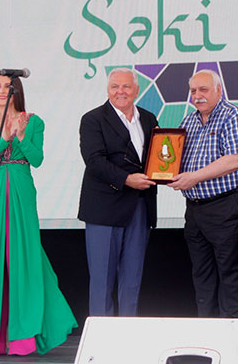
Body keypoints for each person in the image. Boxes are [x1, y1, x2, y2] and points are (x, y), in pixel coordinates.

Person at [0, 71, 77, 356]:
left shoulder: (33, 121)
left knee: (23, 257)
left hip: (20, 188)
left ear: (16, 91)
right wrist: (3, 138)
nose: (1, 91)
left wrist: (19, 135)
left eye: (7, 86)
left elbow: (37, 159)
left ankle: (22, 337)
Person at [168, 69, 238, 318]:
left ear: (219, 90)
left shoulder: (233, 115)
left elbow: (235, 160)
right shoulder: (188, 121)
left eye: (203, 89)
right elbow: (174, 160)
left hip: (227, 205)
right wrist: (161, 168)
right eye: (193, 91)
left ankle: (233, 331)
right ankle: (206, 329)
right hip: (195, 209)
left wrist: (194, 177)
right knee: (201, 273)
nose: (197, 95)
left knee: (231, 272)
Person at [78, 67, 158, 316]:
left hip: (140, 206)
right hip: (104, 209)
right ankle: (102, 336)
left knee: (132, 279)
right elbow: (94, 161)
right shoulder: (93, 119)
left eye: (126, 86)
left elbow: (157, 158)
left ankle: (128, 333)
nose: (120, 91)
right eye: (115, 87)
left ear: (136, 90)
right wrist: (126, 179)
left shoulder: (149, 118)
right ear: (108, 90)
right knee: (102, 280)